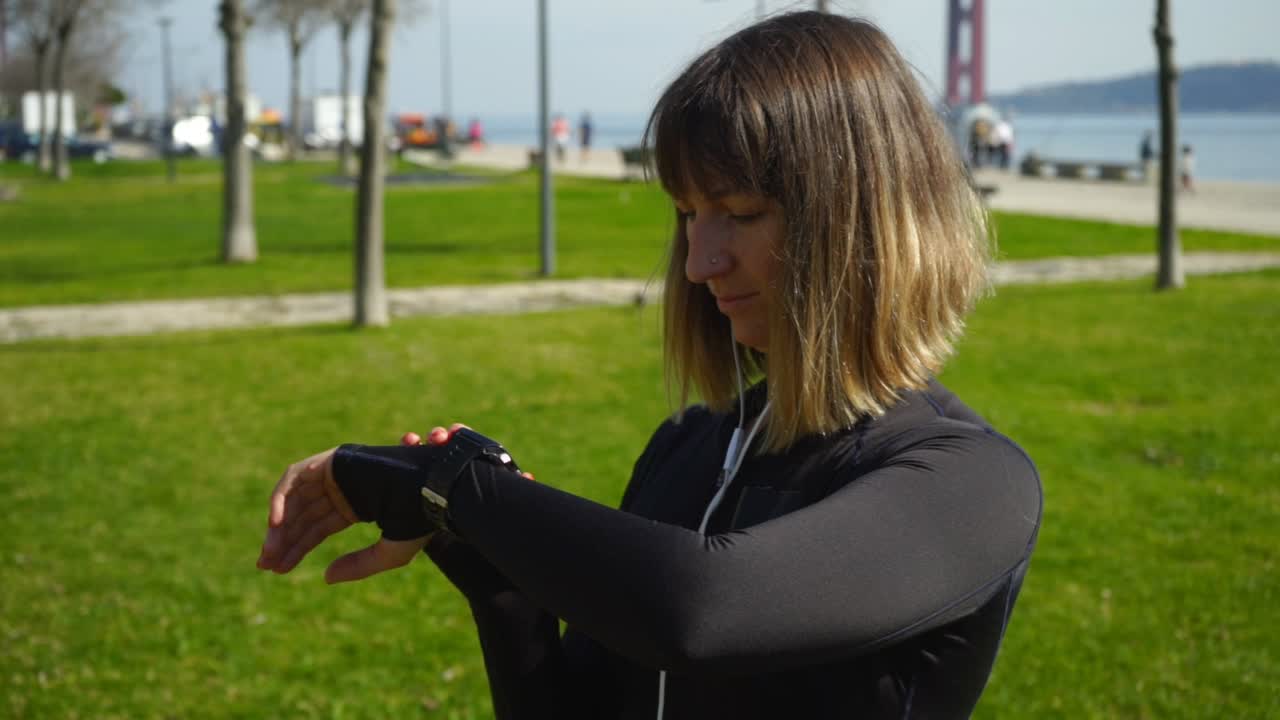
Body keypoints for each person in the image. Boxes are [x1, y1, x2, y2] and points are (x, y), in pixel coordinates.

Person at [257, 12, 1042, 719]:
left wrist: (449, 484)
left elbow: (699, 610)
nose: (699, 262)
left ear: (860, 221)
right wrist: (491, 565)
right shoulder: (690, 446)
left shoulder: (971, 481)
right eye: (686, 214)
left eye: (739, 214)